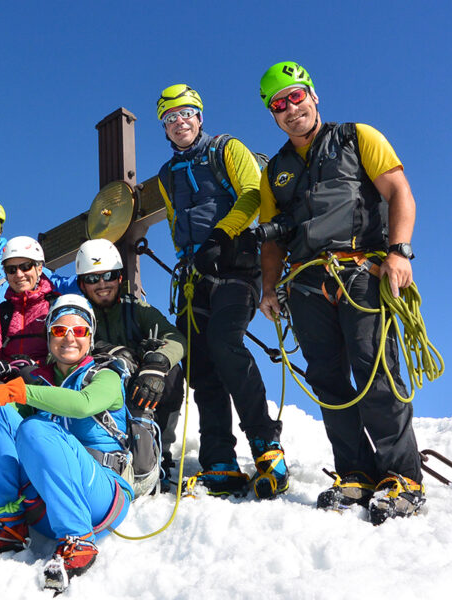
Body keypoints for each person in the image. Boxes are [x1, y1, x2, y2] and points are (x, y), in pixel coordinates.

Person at [244, 61, 425, 524]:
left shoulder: (357, 136)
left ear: (313, 95)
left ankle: (402, 477)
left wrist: (399, 252)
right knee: (327, 380)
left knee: (375, 370)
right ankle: (355, 474)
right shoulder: (276, 172)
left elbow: (398, 191)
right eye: (278, 104)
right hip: (305, 283)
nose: (290, 109)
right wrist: (269, 288)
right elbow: (272, 240)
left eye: (296, 96)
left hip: (360, 270)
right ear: (272, 113)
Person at [0, 294, 132, 592]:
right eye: (59, 330)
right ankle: (6, 525)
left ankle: (78, 539)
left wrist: (20, 392)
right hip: (48, 505)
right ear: (48, 338)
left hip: (100, 498)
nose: (69, 337)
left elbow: (83, 405)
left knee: (35, 428)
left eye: (79, 331)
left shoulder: (106, 377)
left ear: (90, 337)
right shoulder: (42, 386)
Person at [155, 83, 288, 498]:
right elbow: (178, 219)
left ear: (200, 116)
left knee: (226, 344)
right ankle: (219, 462)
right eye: (170, 118)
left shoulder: (226, 148)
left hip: (237, 265)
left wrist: (221, 235)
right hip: (195, 276)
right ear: (164, 127)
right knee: (200, 364)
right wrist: (190, 254)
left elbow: (252, 193)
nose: (180, 123)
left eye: (186, 114)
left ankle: (267, 447)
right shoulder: (165, 175)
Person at [74, 238, 186, 488]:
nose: (102, 284)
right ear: (82, 284)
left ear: (120, 278)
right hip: (101, 390)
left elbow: (176, 338)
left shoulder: (136, 309)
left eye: (109, 276)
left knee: (173, 374)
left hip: (139, 386)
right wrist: (107, 350)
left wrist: (156, 365)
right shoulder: (77, 313)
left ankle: (159, 451)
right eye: (93, 279)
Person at [0, 236, 65, 376]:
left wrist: (36, 366)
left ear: (40, 268)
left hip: (49, 382)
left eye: (25, 267)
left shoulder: (57, 306)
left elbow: (68, 348)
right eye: (11, 269)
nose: (19, 275)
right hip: (8, 381)